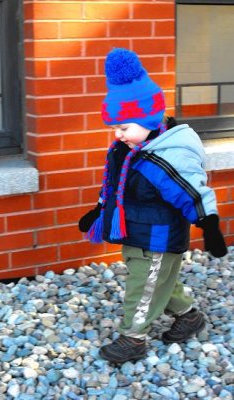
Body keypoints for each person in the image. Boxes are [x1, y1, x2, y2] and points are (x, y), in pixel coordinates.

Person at [78, 48, 228, 364]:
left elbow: (192, 191)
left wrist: (209, 224)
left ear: (147, 119)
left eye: (123, 127)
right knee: (157, 281)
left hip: (157, 237)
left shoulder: (165, 158)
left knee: (142, 288)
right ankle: (188, 316)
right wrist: (99, 210)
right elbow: (115, 187)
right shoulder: (128, 149)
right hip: (137, 231)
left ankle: (133, 338)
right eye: (115, 128)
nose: (117, 135)